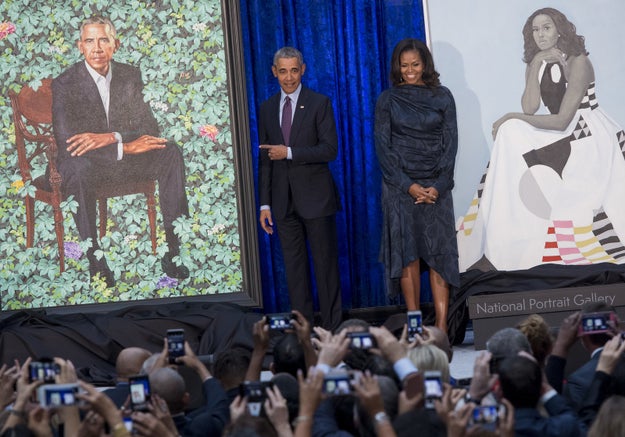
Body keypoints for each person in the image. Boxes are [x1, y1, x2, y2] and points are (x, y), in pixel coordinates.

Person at [457, 7, 625, 272]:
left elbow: (562, 120)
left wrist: (509, 117)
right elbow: (530, 107)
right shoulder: (538, 62)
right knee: (510, 132)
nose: (540, 34)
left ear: (560, 29)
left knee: (511, 127)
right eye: (535, 30)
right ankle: (497, 240)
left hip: (587, 135)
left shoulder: (578, 61)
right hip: (563, 131)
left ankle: (511, 242)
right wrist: (535, 64)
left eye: (546, 27)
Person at [52, 15, 190, 287]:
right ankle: (96, 262)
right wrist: (124, 145)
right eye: (90, 41)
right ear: (80, 46)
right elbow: (69, 142)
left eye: (104, 40)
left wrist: (110, 138)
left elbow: (148, 126)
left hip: (121, 160)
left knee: (169, 151)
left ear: (116, 44)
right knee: (76, 169)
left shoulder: (129, 75)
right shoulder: (64, 83)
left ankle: (173, 253)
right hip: (86, 163)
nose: (97, 48)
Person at [374, 38, 459, 332]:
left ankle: (443, 329)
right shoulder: (387, 100)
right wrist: (408, 186)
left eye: (416, 65)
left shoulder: (443, 97)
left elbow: (451, 145)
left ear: (425, 65)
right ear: (397, 67)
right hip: (401, 189)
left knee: (439, 257)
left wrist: (438, 185)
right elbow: (383, 150)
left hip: (437, 188)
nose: (410, 71)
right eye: (404, 65)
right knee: (407, 255)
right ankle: (414, 325)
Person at [257, 46, 342, 331]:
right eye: (283, 71)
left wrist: (290, 152)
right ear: (274, 72)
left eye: (294, 70)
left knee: (325, 268)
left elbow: (329, 149)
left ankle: (331, 329)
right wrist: (264, 204)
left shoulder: (319, 103)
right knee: (294, 272)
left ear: (303, 69)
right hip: (282, 203)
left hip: (316, 200)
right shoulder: (267, 108)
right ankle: (303, 331)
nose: (289, 77)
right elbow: (265, 159)